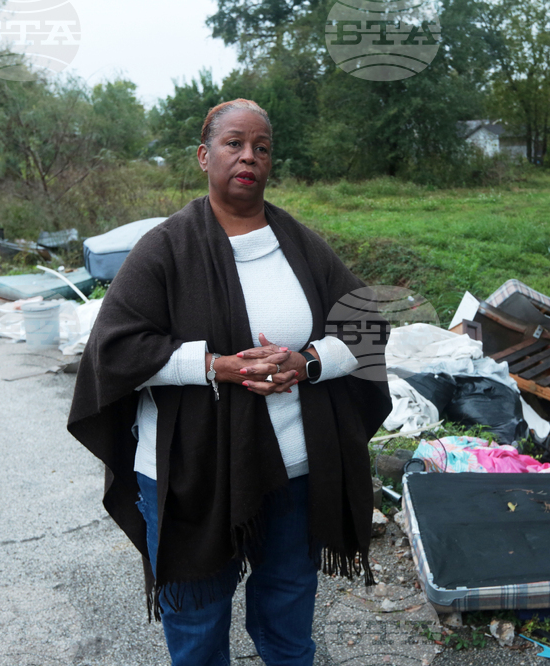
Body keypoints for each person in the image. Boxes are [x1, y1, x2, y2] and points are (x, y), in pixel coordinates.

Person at [67, 99, 392, 666]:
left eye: (261, 147)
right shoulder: (165, 248)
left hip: (294, 473)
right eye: (234, 143)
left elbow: (368, 326)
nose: (249, 156)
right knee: (196, 631)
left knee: (289, 624)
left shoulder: (300, 243)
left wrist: (307, 362)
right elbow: (115, 351)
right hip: (193, 476)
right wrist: (218, 366)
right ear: (203, 155)